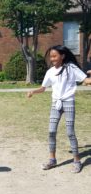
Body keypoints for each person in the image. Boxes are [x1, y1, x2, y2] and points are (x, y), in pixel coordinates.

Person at [27, 45, 91, 173]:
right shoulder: (50, 71)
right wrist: (33, 91)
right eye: (51, 56)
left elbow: (86, 80)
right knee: (51, 131)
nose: (52, 59)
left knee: (70, 132)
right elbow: (43, 88)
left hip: (68, 103)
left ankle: (77, 161)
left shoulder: (70, 68)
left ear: (62, 56)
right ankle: (52, 160)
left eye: (55, 56)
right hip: (56, 104)